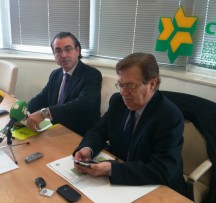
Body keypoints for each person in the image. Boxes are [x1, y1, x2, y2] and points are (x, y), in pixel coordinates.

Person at [73, 52, 186, 195]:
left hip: (156, 188)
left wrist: (112, 170)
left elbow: (162, 170)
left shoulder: (169, 117)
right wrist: (87, 148)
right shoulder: (118, 101)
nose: (123, 93)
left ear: (152, 84)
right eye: (120, 85)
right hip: (121, 179)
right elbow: (99, 130)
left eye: (130, 86)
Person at [26, 32, 102, 136]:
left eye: (68, 49)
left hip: (79, 134)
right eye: (58, 51)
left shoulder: (92, 75)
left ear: (78, 50)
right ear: (54, 54)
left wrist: (45, 113)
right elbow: (41, 98)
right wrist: (25, 114)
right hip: (56, 129)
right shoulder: (55, 74)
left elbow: (82, 104)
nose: (63, 55)